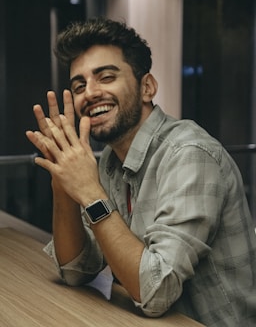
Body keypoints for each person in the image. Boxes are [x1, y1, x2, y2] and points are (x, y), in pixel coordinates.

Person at [26, 17, 256, 327]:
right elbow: (77, 269)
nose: (90, 93)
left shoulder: (190, 154)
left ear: (146, 87)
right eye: (79, 85)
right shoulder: (110, 160)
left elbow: (156, 292)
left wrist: (91, 193)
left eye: (105, 77)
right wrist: (62, 182)